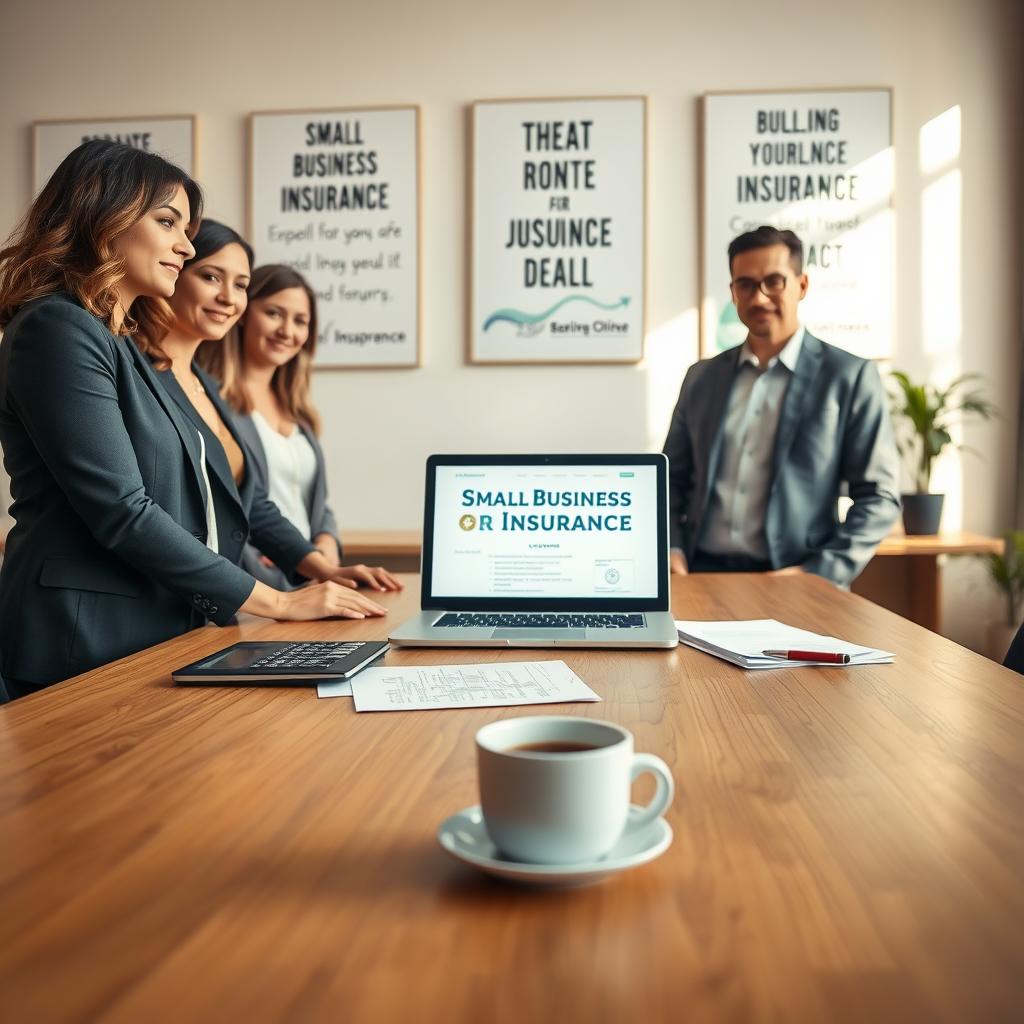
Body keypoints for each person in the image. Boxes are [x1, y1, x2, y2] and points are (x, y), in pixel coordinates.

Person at [0, 141, 387, 699]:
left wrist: (314, 568)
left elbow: (234, 495)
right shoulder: (55, 329)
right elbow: (121, 510)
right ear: (104, 216)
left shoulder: (128, 347)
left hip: (158, 629)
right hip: (79, 638)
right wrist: (277, 600)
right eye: (168, 223)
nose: (184, 246)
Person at [140, 224, 399, 593]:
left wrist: (321, 563)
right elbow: (140, 509)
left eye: (241, 285)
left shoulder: (205, 388)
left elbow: (252, 501)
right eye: (211, 277)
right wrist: (272, 591)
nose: (227, 298)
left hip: (261, 588)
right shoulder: (145, 372)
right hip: (231, 585)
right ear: (175, 273)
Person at [663, 226, 900, 588]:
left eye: (773, 282)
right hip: (699, 576)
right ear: (732, 292)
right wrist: (672, 550)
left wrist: (817, 574)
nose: (759, 298)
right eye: (745, 284)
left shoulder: (849, 377)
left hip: (796, 580)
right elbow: (670, 482)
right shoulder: (701, 378)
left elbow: (878, 499)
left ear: (801, 285)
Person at [197, 263, 373, 591]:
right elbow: (225, 504)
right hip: (255, 587)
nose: (287, 331)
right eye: (274, 313)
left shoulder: (299, 414)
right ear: (245, 313)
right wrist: (269, 560)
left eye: (300, 321)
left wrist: (326, 543)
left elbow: (315, 501)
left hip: (311, 580)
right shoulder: (212, 402)